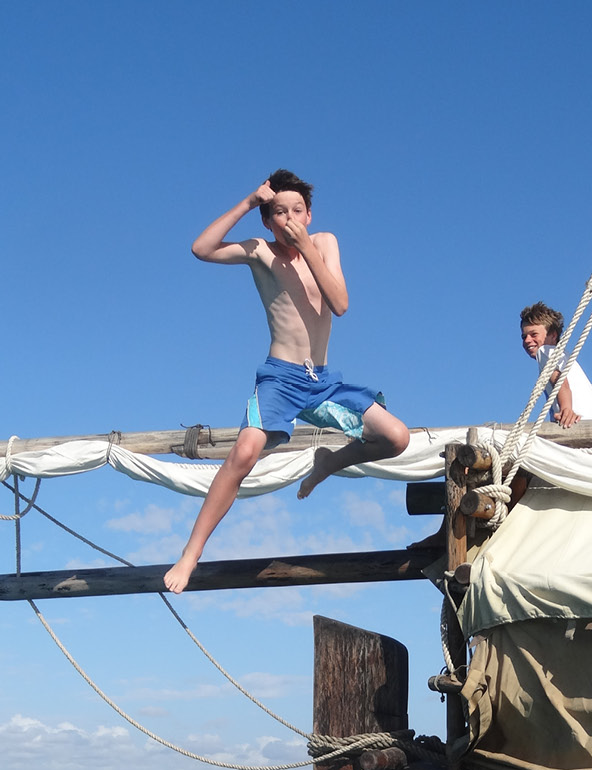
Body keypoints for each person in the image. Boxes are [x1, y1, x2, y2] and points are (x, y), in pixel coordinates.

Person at [163, 169, 410, 594]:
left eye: (297, 210)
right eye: (278, 212)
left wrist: (306, 249)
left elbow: (341, 303)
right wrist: (246, 201)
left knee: (397, 437)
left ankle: (330, 462)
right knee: (244, 451)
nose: (289, 218)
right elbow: (200, 248)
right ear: (267, 220)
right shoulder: (260, 250)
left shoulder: (326, 243)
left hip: (325, 380)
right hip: (282, 376)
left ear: (309, 215)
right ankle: (191, 554)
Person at [519, 302, 592, 426]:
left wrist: (566, 409)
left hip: (575, 420)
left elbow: (560, 382)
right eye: (524, 337)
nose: (527, 340)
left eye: (534, 334)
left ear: (553, 335)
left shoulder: (545, 351)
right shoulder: (564, 356)